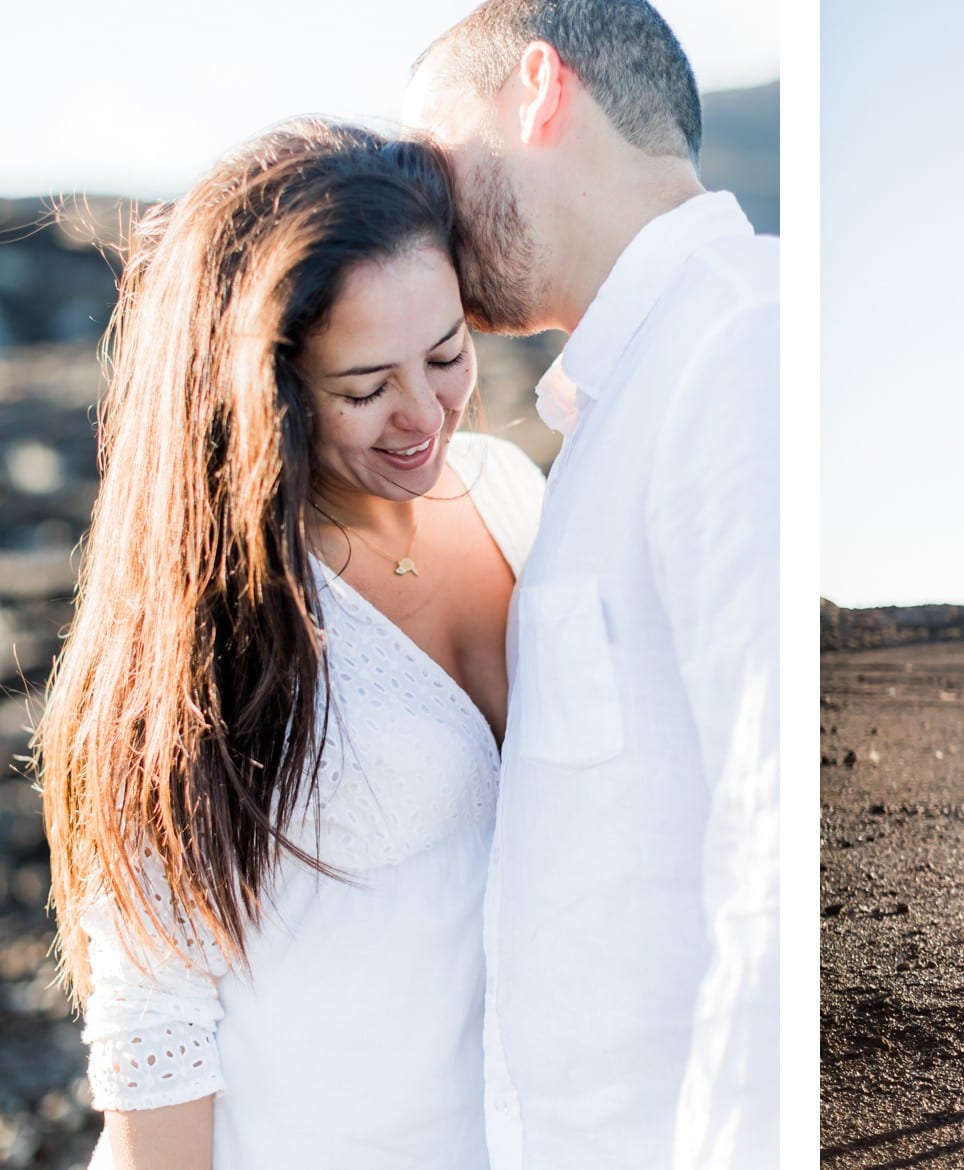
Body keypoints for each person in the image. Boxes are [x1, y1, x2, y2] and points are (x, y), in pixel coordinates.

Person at [37, 119, 544, 1169]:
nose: (423, 416)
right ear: (257, 396)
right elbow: (154, 1040)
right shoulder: (199, 643)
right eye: (364, 389)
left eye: (447, 355)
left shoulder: (509, 496)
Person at [401, 2, 777, 1168]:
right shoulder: (631, 390)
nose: (425, 206)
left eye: (436, 151)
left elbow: (770, 851)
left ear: (536, 89)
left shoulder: (737, 346)